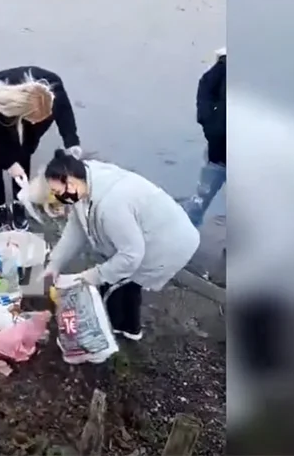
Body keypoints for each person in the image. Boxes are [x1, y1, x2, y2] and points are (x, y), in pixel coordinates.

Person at [41, 150, 200, 340]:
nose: (59, 198)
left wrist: (88, 277)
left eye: (58, 192)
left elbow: (131, 256)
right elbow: (76, 229)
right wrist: (55, 264)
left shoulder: (111, 205)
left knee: (113, 283)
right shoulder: (85, 180)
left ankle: (116, 331)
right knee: (125, 282)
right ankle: (129, 329)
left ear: (71, 181)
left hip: (168, 243)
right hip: (147, 235)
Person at [0, 66, 82, 232]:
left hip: (22, 112)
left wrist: (72, 143)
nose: (35, 124)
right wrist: (9, 163)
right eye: (33, 120)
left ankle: (19, 202)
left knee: (22, 155)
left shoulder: (52, 88)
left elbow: (64, 112)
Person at [184, 47, 226, 228]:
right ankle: (182, 237)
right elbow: (205, 89)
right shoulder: (224, 66)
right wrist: (211, 123)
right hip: (219, 151)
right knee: (200, 199)